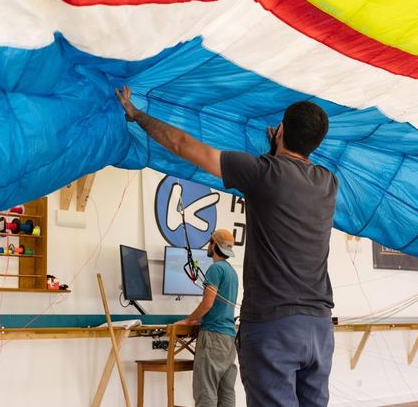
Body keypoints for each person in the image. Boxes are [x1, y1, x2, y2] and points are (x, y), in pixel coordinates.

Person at [116, 86, 337, 407]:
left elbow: (182, 144)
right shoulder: (328, 182)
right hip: (319, 328)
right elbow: (293, 172)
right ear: (316, 144)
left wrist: (136, 114)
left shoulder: (262, 173)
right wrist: (278, 147)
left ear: (281, 131)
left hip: (273, 326)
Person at [174, 229, 239, 407]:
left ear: (214, 246)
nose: (208, 245)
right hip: (228, 338)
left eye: (210, 242)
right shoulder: (232, 272)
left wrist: (188, 321)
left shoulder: (215, 269)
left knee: (206, 392)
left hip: (213, 338)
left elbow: (207, 304)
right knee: (226, 393)